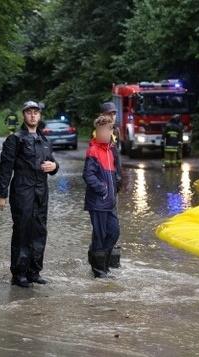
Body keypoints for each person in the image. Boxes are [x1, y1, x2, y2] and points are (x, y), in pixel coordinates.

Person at [0, 100, 59, 288]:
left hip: (42, 190)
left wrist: (55, 166)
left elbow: (53, 163)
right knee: (22, 230)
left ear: (40, 116)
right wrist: (1, 194)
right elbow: (5, 168)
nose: (33, 115)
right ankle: (19, 273)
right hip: (22, 189)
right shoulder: (15, 138)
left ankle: (34, 271)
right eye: (29, 112)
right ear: (24, 115)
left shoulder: (44, 140)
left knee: (39, 230)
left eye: (36, 112)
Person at [83, 114, 120, 278]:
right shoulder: (93, 150)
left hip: (110, 202)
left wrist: (116, 187)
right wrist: (103, 189)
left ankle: (100, 262)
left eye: (107, 131)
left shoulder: (110, 151)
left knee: (114, 232)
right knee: (100, 235)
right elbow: (87, 175)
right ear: (97, 132)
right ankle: (99, 271)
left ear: (111, 132)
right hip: (98, 202)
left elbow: (113, 174)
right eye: (101, 131)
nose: (104, 134)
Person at [99, 102, 123, 268]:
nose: (113, 116)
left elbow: (116, 159)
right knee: (104, 228)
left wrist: (119, 178)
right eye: (109, 113)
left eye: (114, 113)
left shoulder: (116, 132)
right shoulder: (100, 133)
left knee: (112, 228)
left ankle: (108, 260)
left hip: (113, 183)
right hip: (104, 186)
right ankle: (100, 264)